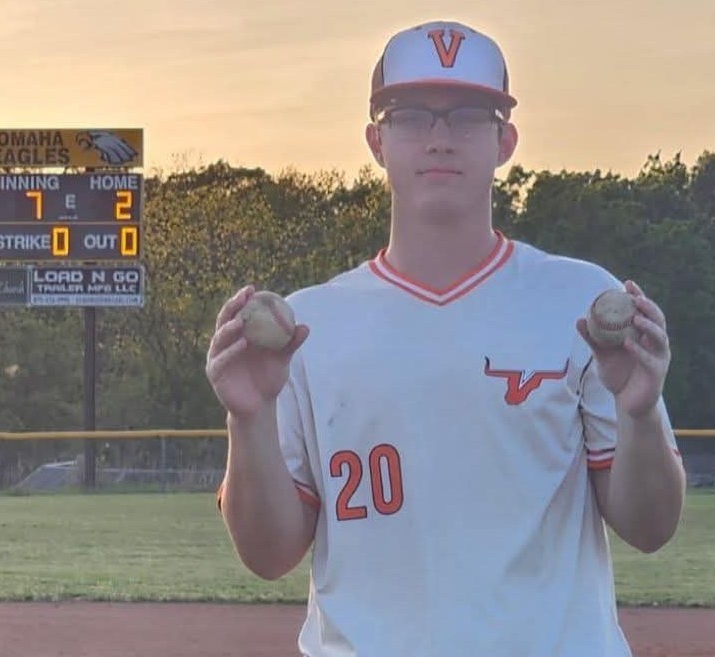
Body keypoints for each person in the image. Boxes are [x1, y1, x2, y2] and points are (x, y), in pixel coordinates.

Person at [205, 19, 686, 656]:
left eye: (467, 114)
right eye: (410, 115)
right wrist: (250, 417)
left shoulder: (576, 301)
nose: (439, 138)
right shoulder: (306, 327)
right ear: (376, 140)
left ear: (505, 139)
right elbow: (268, 557)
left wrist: (641, 410)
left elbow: (650, 529)